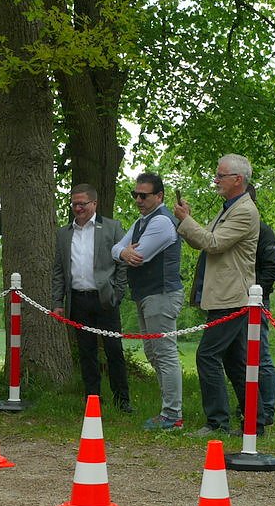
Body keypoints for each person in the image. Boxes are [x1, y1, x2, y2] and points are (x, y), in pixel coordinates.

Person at [174, 154, 262, 437]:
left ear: (238, 180)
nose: (215, 180)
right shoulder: (230, 208)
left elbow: (213, 244)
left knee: (207, 356)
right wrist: (187, 221)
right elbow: (204, 242)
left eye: (220, 176)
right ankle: (256, 421)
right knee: (234, 362)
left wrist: (187, 220)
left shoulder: (244, 211)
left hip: (231, 297)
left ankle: (217, 422)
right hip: (226, 296)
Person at [111, 172, 184, 431]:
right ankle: (169, 411)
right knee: (153, 353)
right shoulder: (142, 221)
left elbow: (139, 256)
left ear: (159, 196)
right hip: (147, 294)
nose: (138, 200)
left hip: (161, 294)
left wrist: (124, 252)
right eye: (135, 195)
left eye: (144, 195)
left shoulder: (161, 222)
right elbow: (116, 249)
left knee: (164, 354)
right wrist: (123, 251)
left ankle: (172, 415)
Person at [52, 183, 132, 412]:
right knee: (87, 353)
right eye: (74, 204)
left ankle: (122, 401)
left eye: (82, 204)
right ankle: (92, 399)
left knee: (114, 350)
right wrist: (57, 302)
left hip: (106, 299)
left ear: (94, 204)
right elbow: (58, 270)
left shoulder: (112, 227)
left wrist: (117, 293)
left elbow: (123, 263)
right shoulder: (63, 233)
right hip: (78, 300)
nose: (78, 208)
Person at [244, 184, 275, 426]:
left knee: (261, 356)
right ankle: (248, 406)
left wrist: (255, 295)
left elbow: (273, 271)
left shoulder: (263, 232)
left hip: (256, 302)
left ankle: (266, 409)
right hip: (234, 301)